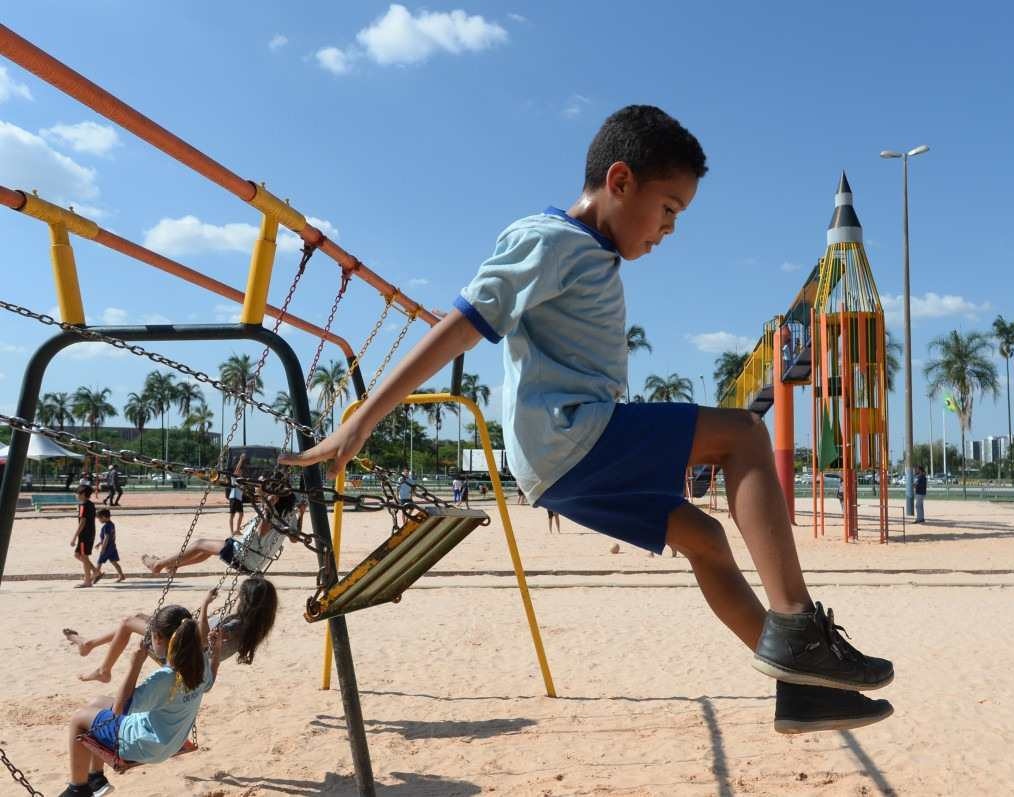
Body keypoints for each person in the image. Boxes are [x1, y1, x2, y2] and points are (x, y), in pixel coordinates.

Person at [280, 105, 893, 732]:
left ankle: (802, 690)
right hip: (574, 437)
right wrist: (364, 419)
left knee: (704, 541)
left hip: (564, 459)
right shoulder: (550, 241)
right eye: (669, 209)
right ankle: (796, 625)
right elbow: (461, 326)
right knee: (743, 435)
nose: (669, 230)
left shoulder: (591, 254)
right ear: (621, 181)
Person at [57, 605, 217, 797]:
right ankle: (96, 778)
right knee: (97, 702)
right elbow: (209, 684)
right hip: (173, 741)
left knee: (79, 719)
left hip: (145, 745)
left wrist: (135, 665)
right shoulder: (199, 665)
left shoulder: (164, 678)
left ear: (157, 638)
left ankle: (77, 789)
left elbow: (119, 709)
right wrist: (216, 653)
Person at [63, 575, 279, 683]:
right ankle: (89, 644)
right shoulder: (253, 624)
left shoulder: (235, 625)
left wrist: (205, 605)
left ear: (246, 600)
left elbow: (203, 640)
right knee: (139, 617)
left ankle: (104, 671)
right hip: (187, 648)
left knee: (128, 622)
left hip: (178, 655)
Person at [143, 483, 301, 576]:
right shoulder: (290, 516)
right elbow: (294, 539)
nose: (260, 495)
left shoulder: (269, 512)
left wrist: (268, 506)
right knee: (208, 550)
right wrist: (302, 514)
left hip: (242, 555)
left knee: (200, 543)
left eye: (265, 493)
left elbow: (262, 531)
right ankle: (174, 566)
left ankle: (159, 564)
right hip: (256, 563)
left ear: (275, 497)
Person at [71, 486, 99, 588]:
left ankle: (88, 581)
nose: (76, 495)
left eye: (78, 493)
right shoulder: (91, 504)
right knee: (78, 555)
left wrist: (74, 537)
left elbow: (83, 521)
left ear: (82, 494)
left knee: (83, 556)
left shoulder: (83, 505)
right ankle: (95, 571)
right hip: (90, 532)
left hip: (84, 534)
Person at [93, 508, 126, 583]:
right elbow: (108, 537)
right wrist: (99, 543)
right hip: (112, 547)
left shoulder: (106, 526)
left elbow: (106, 538)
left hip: (107, 548)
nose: (99, 520)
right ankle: (121, 575)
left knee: (99, 562)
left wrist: (103, 548)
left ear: (104, 517)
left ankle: (95, 577)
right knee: (114, 562)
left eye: (99, 519)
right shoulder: (111, 524)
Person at [227, 453, 248, 537]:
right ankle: (232, 532)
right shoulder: (234, 478)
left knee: (241, 514)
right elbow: (237, 469)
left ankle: (237, 530)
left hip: (238, 499)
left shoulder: (241, 481)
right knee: (232, 515)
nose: (240, 472)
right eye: (239, 471)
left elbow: (243, 490)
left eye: (241, 472)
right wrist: (241, 459)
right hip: (233, 497)